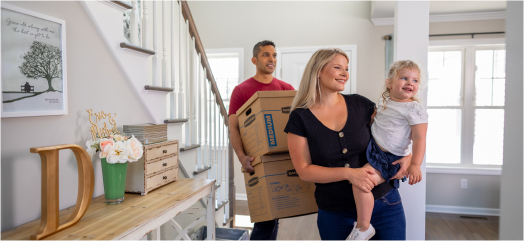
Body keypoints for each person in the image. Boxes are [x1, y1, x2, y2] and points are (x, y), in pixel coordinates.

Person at [284, 48, 411, 240]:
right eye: (337, 67)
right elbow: (304, 170)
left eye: (346, 68)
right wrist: (349, 174)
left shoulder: (361, 105)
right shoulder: (300, 118)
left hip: (385, 205)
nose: (345, 73)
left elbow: (395, 131)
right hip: (336, 214)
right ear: (317, 71)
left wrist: (407, 156)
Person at [347, 60, 428, 240]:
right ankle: (363, 225)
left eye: (415, 80)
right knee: (360, 181)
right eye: (404, 78)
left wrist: (415, 164)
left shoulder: (414, 109)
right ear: (389, 82)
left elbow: (419, 138)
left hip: (388, 158)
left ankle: (363, 227)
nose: (410, 83)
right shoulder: (385, 104)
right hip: (374, 150)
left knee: (361, 183)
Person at [228, 40, 294, 240]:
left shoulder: (286, 88)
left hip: (283, 159)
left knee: (276, 215)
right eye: (266, 55)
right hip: (256, 162)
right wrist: (241, 157)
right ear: (254, 59)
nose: (271, 59)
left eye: (274, 55)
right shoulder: (242, 90)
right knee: (265, 219)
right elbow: (233, 127)